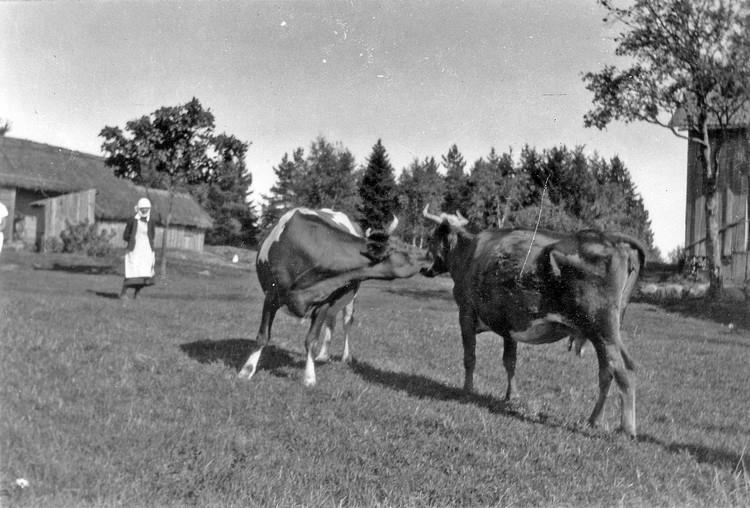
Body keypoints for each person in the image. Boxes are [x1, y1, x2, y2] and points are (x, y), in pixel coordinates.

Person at [120, 197, 156, 299]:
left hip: (146, 250)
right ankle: (123, 293)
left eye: (146, 208)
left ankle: (137, 293)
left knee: (144, 272)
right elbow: (126, 235)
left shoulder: (151, 221)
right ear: (139, 208)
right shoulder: (132, 220)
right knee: (132, 271)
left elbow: (152, 235)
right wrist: (132, 240)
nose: (144, 210)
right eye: (142, 208)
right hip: (134, 250)